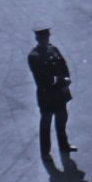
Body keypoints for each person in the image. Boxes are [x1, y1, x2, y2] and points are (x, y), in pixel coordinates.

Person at [28, 25, 77, 157]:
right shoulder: (34, 56)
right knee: (46, 124)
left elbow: (63, 65)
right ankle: (45, 152)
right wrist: (60, 80)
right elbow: (42, 78)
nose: (45, 39)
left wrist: (66, 77)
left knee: (62, 120)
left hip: (60, 93)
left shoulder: (53, 49)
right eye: (42, 38)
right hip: (47, 95)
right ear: (37, 38)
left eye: (47, 37)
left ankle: (64, 145)